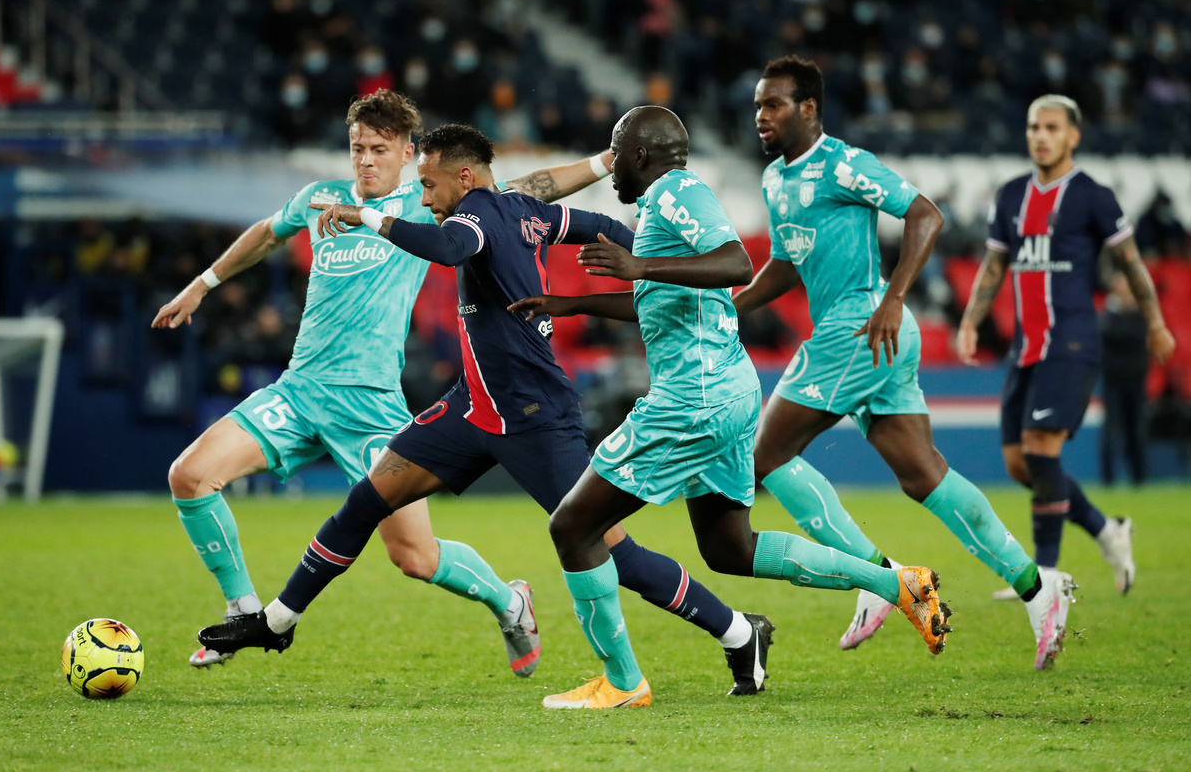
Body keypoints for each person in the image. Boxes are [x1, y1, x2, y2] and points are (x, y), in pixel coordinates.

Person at [195, 123, 778, 696]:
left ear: (465, 178)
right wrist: (634, 247)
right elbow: (596, 224)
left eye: (430, 185)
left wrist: (368, 217)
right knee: (367, 501)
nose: (425, 198)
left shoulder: (474, 217)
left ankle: (736, 630)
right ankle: (278, 621)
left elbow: (449, 248)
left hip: (533, 415)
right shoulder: (525, 211)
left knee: (612, 550)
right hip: (472, 407)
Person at [153, 90, 616, 674]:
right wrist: (202, 284)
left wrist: (604, 162)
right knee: (190, 476)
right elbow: (268, 233)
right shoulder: (319, 199)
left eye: (378, 149)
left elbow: (531, 189)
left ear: (407, 152)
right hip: (299, 392)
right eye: (357, 148)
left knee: (415, 557)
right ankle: (244, 611)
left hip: (371, 406)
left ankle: (509, 601)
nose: (365, 160)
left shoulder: (426, 207)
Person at [510, 105, 951, 710]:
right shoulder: (662, 206)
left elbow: (736, 263)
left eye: (616, 151)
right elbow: (662, 297)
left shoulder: (676, 192)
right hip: (725, 391)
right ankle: (898, 584)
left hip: (691, 398)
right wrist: (574, 304)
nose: (611, 167)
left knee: (572, 525)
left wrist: (638, 264)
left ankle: (622, 682)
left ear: (640, 155)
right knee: (730, 549)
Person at [734, 57, 1072, 672]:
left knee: (764, 456)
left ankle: (879, 579)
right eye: (758, 105)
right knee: (923, 475)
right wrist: (734, 307)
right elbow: (786, 263)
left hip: (861, 325)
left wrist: (892, 299)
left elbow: (925, 214)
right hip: (872, 336)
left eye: (773, 104)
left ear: (808, 108)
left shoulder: (844, 163)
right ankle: (1036, 585)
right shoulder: (775, 179)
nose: (761, 115)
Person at [957, 94, 1176, 596]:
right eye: (1034, 127)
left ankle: (1046, 578)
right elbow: (994, 267)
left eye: (1052, 128)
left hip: (1072, 342)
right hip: (1026, 348)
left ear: (1073, 136)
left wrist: (1156, 322)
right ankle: (1106, 529)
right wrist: (971, 321)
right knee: (1020, 464)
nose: (1041, 136)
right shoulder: (1011, 195)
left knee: (1040, 451)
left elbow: (1131, 263)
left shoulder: (1093, 196)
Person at [1099, 271, 1151, 486]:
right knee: (1111, 432)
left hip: (1136, 381)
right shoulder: (1107, 314)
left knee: (1137, 431)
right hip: (1113, 381)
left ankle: (1139, 478)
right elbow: (1110, 332)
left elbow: (1138, 334)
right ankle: (1108, 479)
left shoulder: (1141, 314)